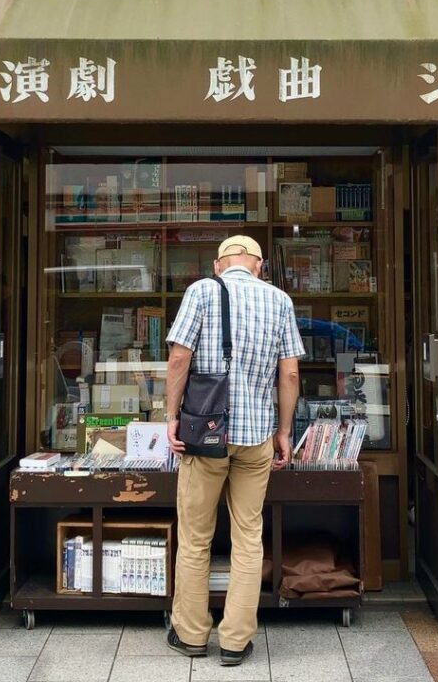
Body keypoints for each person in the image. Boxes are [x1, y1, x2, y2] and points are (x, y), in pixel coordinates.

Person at [165, 235, 304, 667]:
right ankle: (235, 641)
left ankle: (190, 634)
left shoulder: (203, 290)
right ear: (259, 265)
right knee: (248, 537)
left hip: (206, 435)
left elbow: (178, 359)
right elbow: (291, 373)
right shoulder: (280, 300)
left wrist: (171, 416)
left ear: (219, 263)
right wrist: (284, 431)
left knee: (195, 538)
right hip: (257, 435)